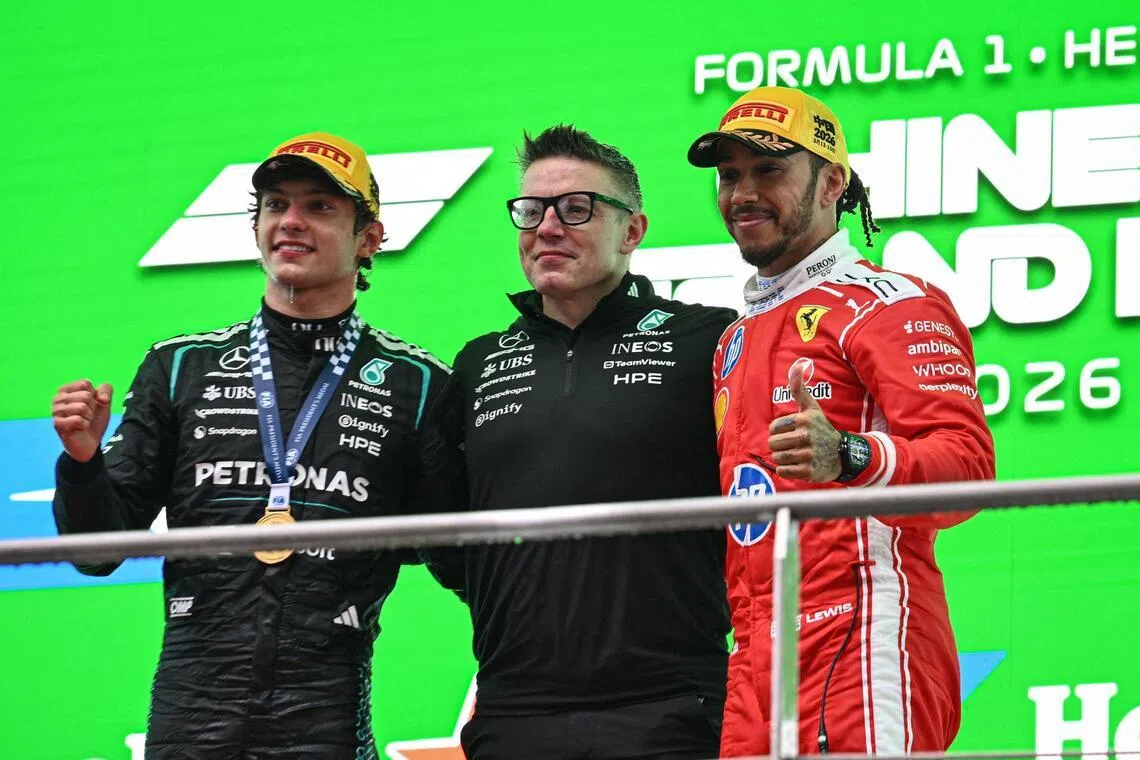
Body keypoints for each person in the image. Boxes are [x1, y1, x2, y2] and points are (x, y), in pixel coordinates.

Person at [50, 131, 466, 759]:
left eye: (320, 207)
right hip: (191, 703)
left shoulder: (418, 384)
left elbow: (462, 560)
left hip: (326, 702)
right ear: (255, 227)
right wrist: (82, 462)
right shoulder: (182, 365)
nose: (291, 222)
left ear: (369, 238)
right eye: (276, 204)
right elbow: (95, 553)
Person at [686, 86, 996, 757]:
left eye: (769, 170)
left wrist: (851, 456)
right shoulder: (733, 340)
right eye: (730, 175)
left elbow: (969, 467)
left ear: (831, 181)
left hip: (861, 639)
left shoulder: (887, 303)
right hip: (756, 658)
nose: (743, 193)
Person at [428, 125, 737, 760]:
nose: (547, 227)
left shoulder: (709, 338)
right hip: (516, 704)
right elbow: (445, 527)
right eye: (530, 210)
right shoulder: (479, 362)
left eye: (576, 209)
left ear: (632, 231)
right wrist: (511, 591)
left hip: (673, 699)